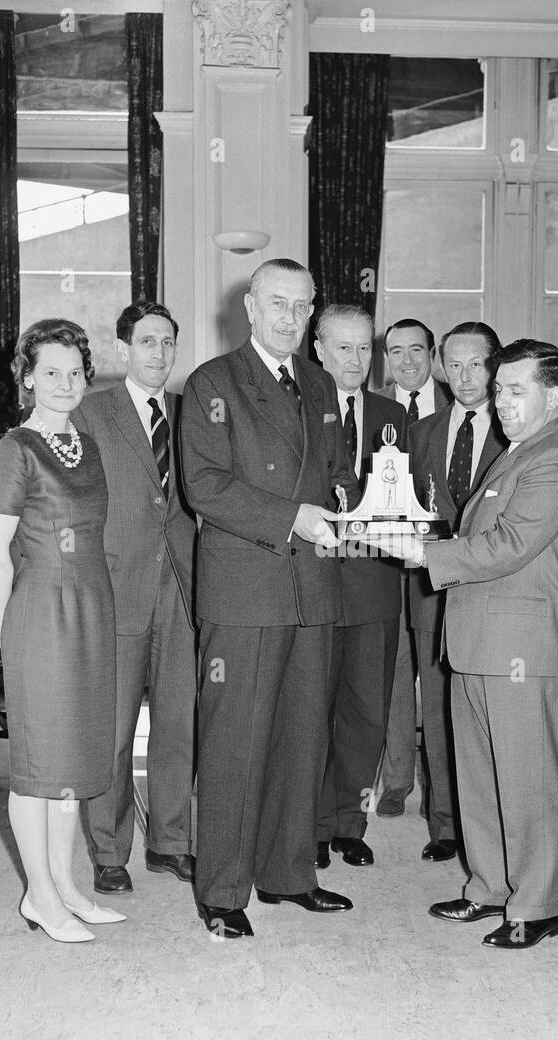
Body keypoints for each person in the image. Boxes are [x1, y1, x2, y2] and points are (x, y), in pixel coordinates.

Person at [381, 339, 558, 949]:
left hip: (526, 648)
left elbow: (508, 546)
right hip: (479, 641)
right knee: (481, 777)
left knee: (529, 780)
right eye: (498, 390)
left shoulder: (556, 459)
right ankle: (491, 887)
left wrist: (424, 552)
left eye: (515, 390)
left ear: (552, 395)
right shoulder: (519, 452)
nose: (501, 402)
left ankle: (539, 902)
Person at [178, 258, 359, 939]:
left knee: (303, 737)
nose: (289, 317)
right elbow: (205, 484)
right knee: (234, 743)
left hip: (312, 587)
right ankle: (222, 890)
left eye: (301, 306)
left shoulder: (318, 382)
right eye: (277, 304)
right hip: (247, 590)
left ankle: (289, 873)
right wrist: (296, 517)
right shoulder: (212, 383)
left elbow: (335, 466)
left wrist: (344, 494)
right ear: (249, 307)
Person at [0, 318, 124, 943]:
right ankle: (38, 896)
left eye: (74, 372)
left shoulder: (85, 444)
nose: (65, 383)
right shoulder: (15, 450)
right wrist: (14, 642)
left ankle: (66, 887)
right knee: (38, 766)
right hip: (40, 615)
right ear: (28, 379)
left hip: (92, 610)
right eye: (50, 373)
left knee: (74, 762)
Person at [70, 301, 198, 897]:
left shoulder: (190, 412)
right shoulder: (91, 412)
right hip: (117, 589)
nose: (159, 353)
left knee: (179, 723)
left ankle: (171, 842)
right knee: (114, 732)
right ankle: (108, 851)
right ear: (123, 349)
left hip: (182, 587)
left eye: (168, 343)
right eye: (147, 342)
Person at [394, 321, 505, 862]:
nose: (464, 376)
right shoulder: (423, 432)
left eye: (476, 364)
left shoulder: (517, 427)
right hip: (432, 594)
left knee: (487, 713)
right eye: (453, 364)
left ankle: (491, 826)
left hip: (495, 589)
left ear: (495, 364)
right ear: (441, 365)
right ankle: (445, 825)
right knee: (436, 709)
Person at [313, 305, 409, 869]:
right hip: (315, 581)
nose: (355, 360)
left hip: (374, 582)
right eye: (342, 348)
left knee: (365, 711)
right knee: (311, 711)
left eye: (364, 349)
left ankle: (350, 821)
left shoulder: (391, 413)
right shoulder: (298, 404)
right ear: (318, 349)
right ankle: (312, 824)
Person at [377, 318, 451, 816]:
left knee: (439, 673)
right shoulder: (372, 406)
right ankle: (397, 781)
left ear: (432, 354)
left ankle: (442, 790)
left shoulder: (462, 403)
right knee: (395, 671)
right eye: (396, 351)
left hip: (441, 560)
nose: (406, 361)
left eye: (416, 350)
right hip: (382, 560)